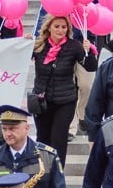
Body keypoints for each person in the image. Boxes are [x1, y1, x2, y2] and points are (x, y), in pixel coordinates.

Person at [31, 13, 97, 166]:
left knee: (58, 139)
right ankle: (43, 174)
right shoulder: (39, 45)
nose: (60, 30)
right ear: (49, 28)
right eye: (57, 27)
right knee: (42, 138)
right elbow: (17, 54)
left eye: (64, 27)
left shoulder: (73, 46)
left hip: (65, 100)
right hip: (41, 101)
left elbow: (91, 66)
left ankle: (57, 174)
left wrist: (89, 52)